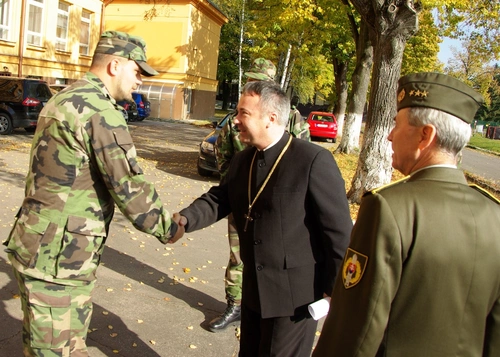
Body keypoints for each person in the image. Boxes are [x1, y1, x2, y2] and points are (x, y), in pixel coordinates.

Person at [3, 31, 184, 356]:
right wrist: (168, 227)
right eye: (137, 70)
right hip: (58, 260)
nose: (140, 80)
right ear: (115, 65)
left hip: (45, 247)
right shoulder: (99, 111)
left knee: (62, 348)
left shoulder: (65, 97)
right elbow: (129, 188)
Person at [313, 72, 500, 356]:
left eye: (397, 124)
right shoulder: (494, 214)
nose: (389, 135)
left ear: (426, 135)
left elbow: (355, 326)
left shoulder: (388, 208)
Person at [173, 80, 353, 356]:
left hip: (294, 301)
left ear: (270, 118)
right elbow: (220, 198)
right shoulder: (242, 160)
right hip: (254, 293)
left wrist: (336, 292)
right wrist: (185, 220)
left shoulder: (313, 160)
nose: (235, 121)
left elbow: (338, 232)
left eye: (243, 113)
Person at [210, 58, 277, 332]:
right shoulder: (235, 119)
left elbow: (298, 158)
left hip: (274, 205)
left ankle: (266, 309)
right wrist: (233, 183)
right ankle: (235, 304)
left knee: (272, 258)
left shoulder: (290, 116)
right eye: (251, 80)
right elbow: (221, 152)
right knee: (238, 256)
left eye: (260, 81)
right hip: (241, 202)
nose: (253, 85)